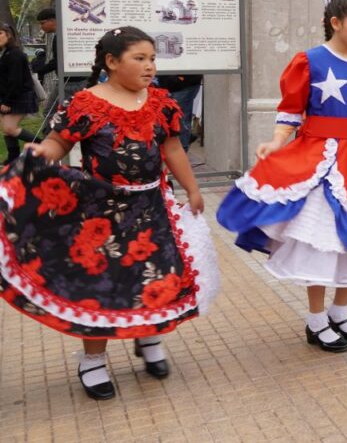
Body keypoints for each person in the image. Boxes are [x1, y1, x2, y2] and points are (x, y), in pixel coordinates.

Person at [0, 26, 216, 400]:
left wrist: (192, 189)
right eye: (140, 58)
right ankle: (93, 361)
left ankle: (149, 339)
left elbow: (173, 149)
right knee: (102, 286)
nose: (150, 66)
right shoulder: (85, 104)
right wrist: (42, 154)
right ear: (112, 62)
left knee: (155, 278)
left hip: (153, 210)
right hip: (100, 216)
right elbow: (57, 142)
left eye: (152, 59)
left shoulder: (161, 102)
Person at [216, 0, 347, 353]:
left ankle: (340, 311)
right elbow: (290, 113)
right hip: (318, 160)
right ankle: (316, 320)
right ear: (336, 23)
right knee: (323, 244)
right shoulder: (310, 61)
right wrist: (276, 143)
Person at [0, 23, 39, 162]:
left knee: (10, 128)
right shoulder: (6, 53)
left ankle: (42, 144)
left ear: (9, 35)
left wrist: (8, 102)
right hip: (9, 96)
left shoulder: (14, 54)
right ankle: (13, 157)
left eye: (0, 33)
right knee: (6, 128)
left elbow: (15, 80)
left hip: (18, 97)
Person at [154, 74, 203, 152]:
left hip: (182, 82)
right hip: (170, 81)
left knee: (179, 120)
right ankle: (183, 143)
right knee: (173, 119)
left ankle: (183, 148)